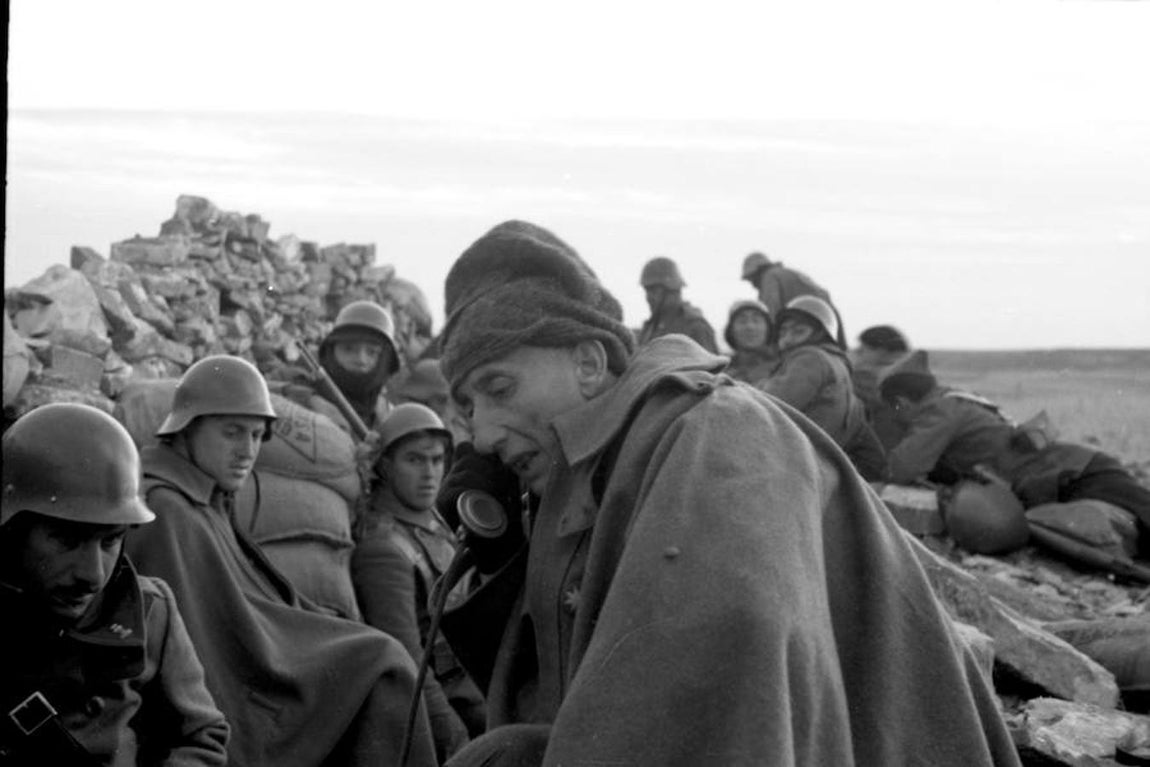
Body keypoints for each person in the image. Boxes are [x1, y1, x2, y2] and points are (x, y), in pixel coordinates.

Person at [428, 220, 1020, 767]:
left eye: (498, 387)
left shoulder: (717, 432)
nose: (480, 433)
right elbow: (565, 694)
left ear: (588, 363)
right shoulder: (593, 469)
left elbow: (721, 677)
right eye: (469, 407)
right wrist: (505, 549)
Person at [124, 355, 436, 767]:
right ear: (186, 429)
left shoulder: (206, 497)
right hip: (247, 692)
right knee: (383, 664)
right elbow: (212, 649)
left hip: (265, 658)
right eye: (232, 433)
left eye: (256, 435)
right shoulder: (168, 510)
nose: (247, 451)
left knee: (379, 654)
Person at [1, 403, 229, 766]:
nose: (92, 575)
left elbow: (201, 737)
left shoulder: (150, 611)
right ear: (14, 531)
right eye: (65, 539)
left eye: (110, 541)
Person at [880, 349, 1150, 545]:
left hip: (1076, 474)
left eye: (893, 411)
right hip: (1071, 472)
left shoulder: (939, 411)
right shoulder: (955, 399)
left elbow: (902, 468)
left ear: (901, 403)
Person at [352, 403, 487, 763]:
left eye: (437, 459)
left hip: (476, 688)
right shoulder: (383, 550)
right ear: (384, 465)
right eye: (414, 460)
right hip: (452, 709)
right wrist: (455, 738)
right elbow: (409, 661)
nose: (430, 473)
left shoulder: (429, 519)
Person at [759, 296, 887, 481]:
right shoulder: (838, 362)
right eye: (784, 331)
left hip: (803, 466)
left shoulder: (810, 358)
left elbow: (768, 405)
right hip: (826, 462)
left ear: (821, 333)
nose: (787, 339)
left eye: (799, 331)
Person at [297, 299, 402, 434]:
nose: (361, 359)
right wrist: (308, 398)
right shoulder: (301, 384)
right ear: (331, 352)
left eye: (372, 352)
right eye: (348, 349)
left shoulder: (387, 414)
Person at [741, 250, 847, 347]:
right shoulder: (789, 273)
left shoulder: (769, 277)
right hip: (829, 327)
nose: (752, 285)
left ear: (757, 272)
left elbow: (770, 313)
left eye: (751, 279)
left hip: (808, 333)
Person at [636, 256, 718, 352]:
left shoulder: (695, 327)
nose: (649, 297)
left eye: (654, 290)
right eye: (647, 291)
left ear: (672, 290)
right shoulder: (650, 328)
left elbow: (711, 365)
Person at [850, 324, 910, 450]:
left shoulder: (864, 379)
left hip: (879, 450)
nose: (856, 352)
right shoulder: (913, 378)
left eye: (862, 349)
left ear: (881, 351)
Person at [721, 298, 778, 384]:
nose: (750, 327)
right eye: (742, 321)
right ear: (731, 331)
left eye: (756, 320)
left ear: (768, 329)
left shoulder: (784, 368)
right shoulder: (721, 372)